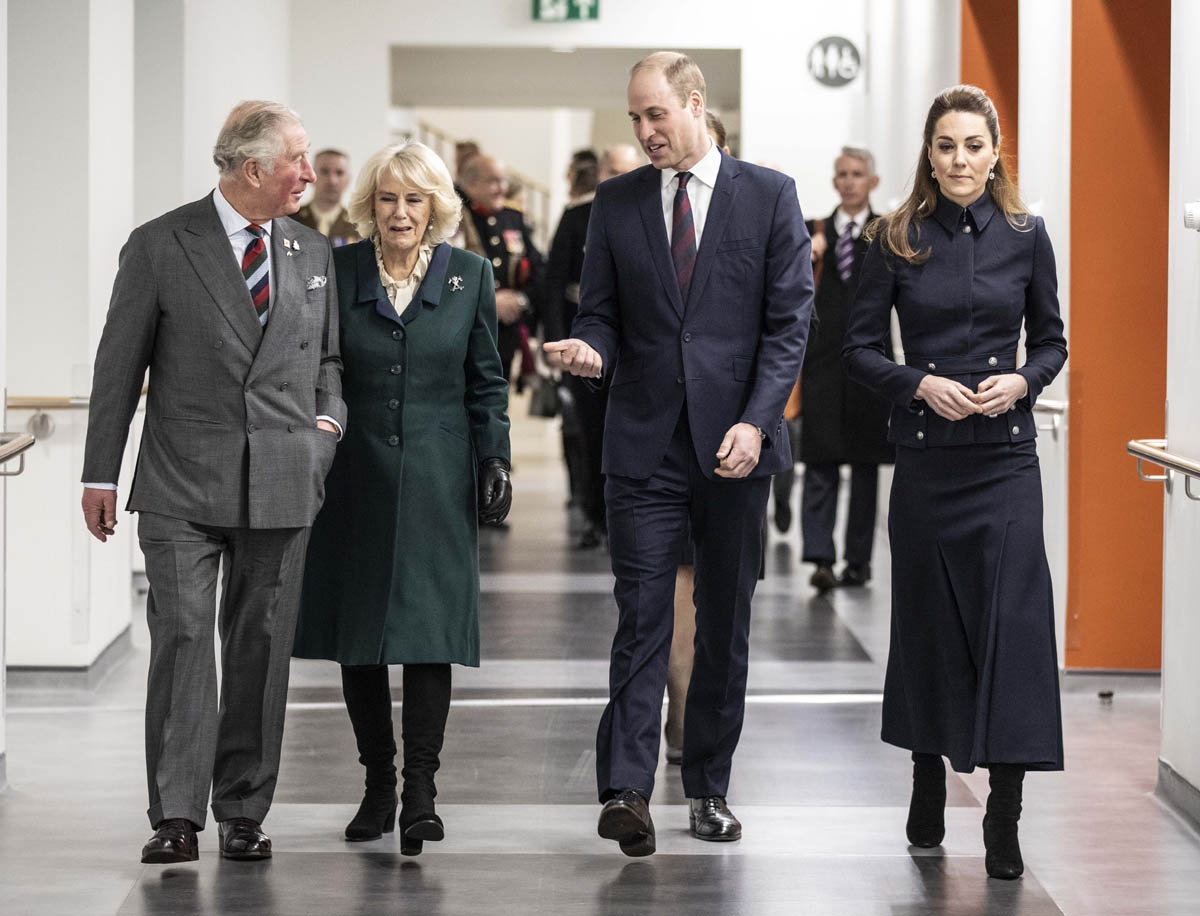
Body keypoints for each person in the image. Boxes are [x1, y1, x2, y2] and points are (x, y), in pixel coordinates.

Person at [545, 51, 812, 856]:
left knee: (724, 623)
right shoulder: (616, 203)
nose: (644, 131)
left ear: (695, 105)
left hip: (734, 448)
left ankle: (709, 787)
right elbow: (600, 315)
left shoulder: (768, 196)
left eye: (656, 114)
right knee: (642, 618)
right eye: (634, 117)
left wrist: (758, 422)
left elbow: (789, 325)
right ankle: (627, 789)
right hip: (644, 448)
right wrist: (591, 351)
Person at [80, 101, 346, 864]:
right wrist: (100, 470)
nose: (308, 171)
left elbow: (329, 364)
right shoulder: (162, 244)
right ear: (254, 168)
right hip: (179, 485)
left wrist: (326, 431)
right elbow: (117, 368)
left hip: (284, 478)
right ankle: (176, 814)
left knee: (260, 645)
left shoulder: (312, 251)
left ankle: (242, 809)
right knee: (187, 638)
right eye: (297, 159)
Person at [843, 84, 1067, 880]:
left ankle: (1003, 816)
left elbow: (1052, 340)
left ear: (995, 150)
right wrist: (916, 384)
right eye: (946, 146)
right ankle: (926, 772)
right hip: (929, 460)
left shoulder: (1025, 234)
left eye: (974, 145)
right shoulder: (895, 237)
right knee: (932, 628)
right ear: (928, 153)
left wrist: (1023, 383)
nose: (960, 159)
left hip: (1005, 459)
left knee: (1012, 630)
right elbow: (859, 350)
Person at [293, 140, 512, 857]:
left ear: (435, 207)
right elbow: (320, 367)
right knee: (360, 635)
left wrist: (495, 458)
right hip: (353, 476)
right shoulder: (339, 267)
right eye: (387, 198)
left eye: (414, 200)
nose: (400, 213)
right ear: (369, 205)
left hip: (437, 477)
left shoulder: (469, 276)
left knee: (428, 633)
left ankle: (421, 793)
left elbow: (487, 379)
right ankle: (378, 785)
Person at [663, 108, 734, 766]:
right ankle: (681, 707)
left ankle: (706, 712)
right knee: (679, 579)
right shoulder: (647, 213)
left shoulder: (760, 209)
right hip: (663, 438)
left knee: (724, 587)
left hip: (737, 436)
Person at [800, 146, 894, 592]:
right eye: (842, 174)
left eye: (858, 174)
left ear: (872, 181)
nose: (850, 181)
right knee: (819, 461)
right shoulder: (812, 233)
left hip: (872, 366)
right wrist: (806, 255)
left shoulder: (890, 234)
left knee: (864, 464)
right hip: (821, 364)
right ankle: (819, 557)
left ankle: (858, 561)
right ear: (834, 181)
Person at [545, 149, 602, 544]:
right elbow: (553, 283)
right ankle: (596, 517)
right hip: (587, 342)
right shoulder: (577, 217)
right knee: (590, 434)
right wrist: (554, 343)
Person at [457, 155, 545, 387]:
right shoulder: (454, 220)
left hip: (503, 338)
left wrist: (521, 299)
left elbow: (539, 269)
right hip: (463, 337)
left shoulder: (512, 218)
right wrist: (489, 303)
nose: (502, 188)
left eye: (503, 181)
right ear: (471, 184)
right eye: (494, 181)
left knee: (495, 410)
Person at [294, 148, 360, 247]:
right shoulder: (290, 219)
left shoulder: (358, 226)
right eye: (325, 172)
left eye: (339, 173)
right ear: (311, 176)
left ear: (348, 180)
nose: (332, 181)